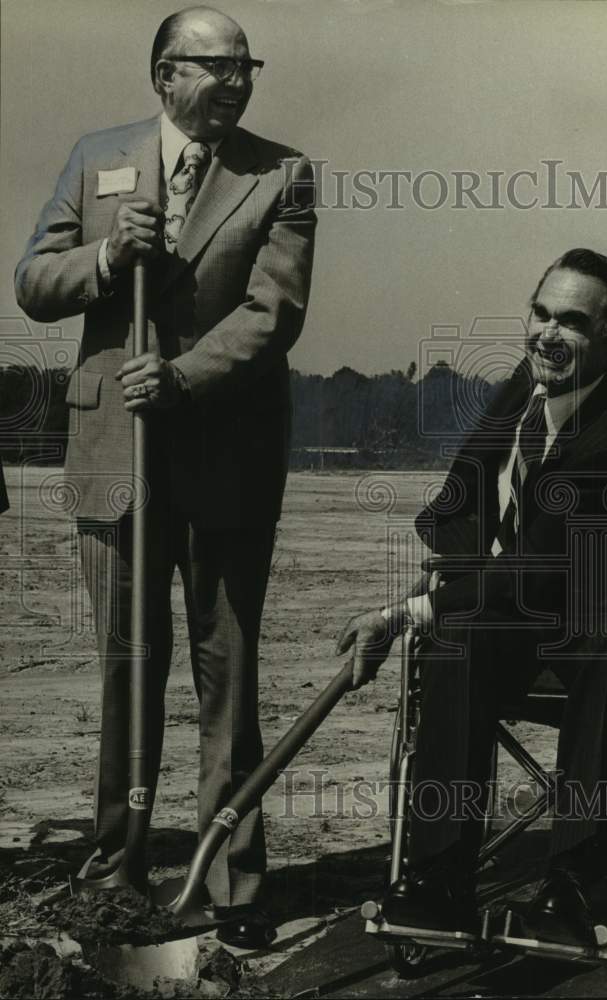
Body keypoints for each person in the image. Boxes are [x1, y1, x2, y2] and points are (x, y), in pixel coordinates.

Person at [16, 5, 316, 947]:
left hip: (226, 465)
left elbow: (274, 314)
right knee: (124, 669)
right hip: (114, 462)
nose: (235, 81)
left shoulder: (285, 175)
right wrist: (108, 257)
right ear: (163, 75)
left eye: (245, 66)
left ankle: (233, 886)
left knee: (227, 678)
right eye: (214, 66)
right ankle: (119, 865)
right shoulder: (97, 156)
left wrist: (181, 378)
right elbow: (32, 280)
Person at [337, 249, 607, 945]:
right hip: (531, 596)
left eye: (572, 322)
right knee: (460, 641)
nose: (547, 333)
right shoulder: (533, 375)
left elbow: (539, 571)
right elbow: (467, 482)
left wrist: (408, 612)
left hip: (605, 610)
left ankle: (573, 895)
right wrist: (455, 574)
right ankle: (437, 881)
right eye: (541, 312)